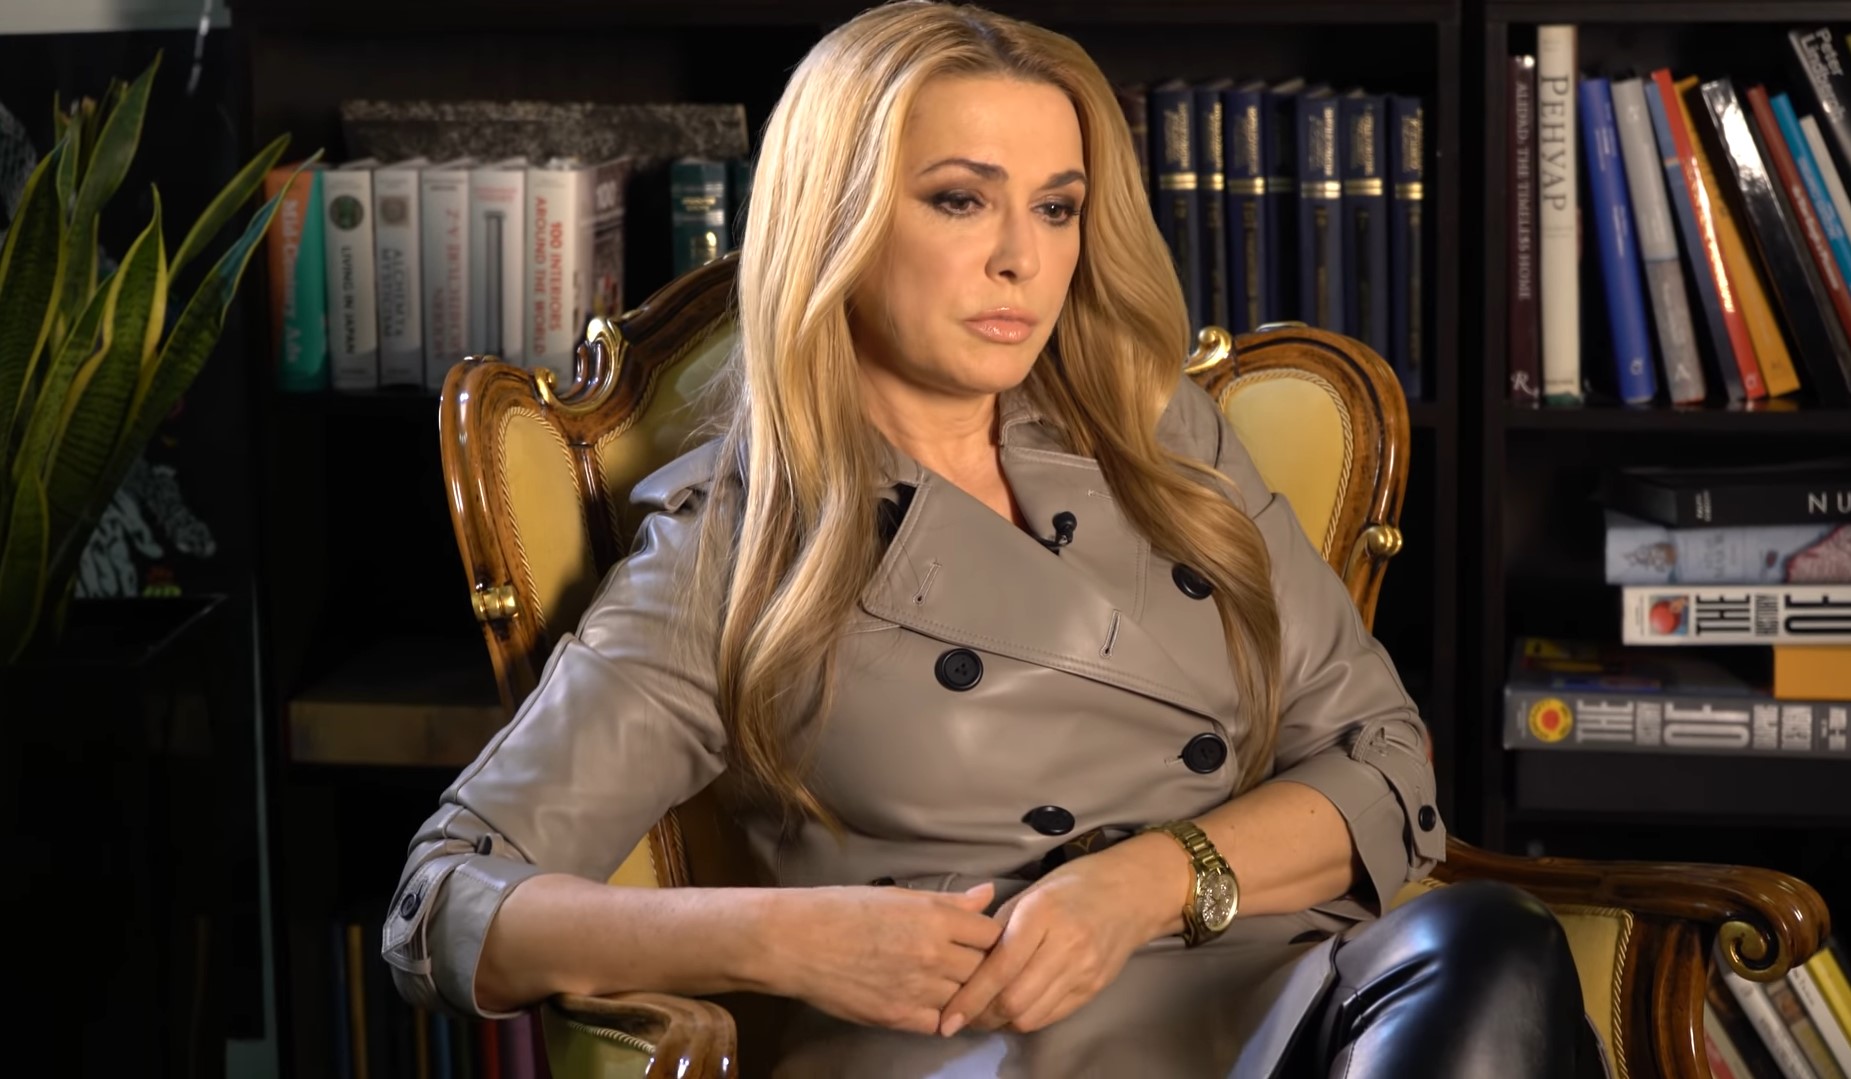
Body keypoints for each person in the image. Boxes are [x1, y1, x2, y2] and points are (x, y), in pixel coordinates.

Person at [383, 3, 1597, 1075]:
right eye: (961, 199)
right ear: (840, 218)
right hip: (985, 1045)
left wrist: (1142, 882)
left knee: (1486, 940)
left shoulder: (1159, 438)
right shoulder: (734, 547)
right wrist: (783, 936)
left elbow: (1384, 761)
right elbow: (442, 903)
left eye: (1056, 207)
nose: (1023, 257)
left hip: (1284, 1008)